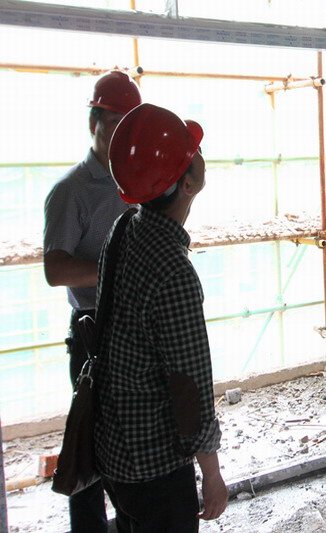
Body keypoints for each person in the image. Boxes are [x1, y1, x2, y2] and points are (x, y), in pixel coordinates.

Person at [94, 103, 227, 531]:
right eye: (193, 152)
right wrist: (211, 474)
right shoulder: (173, 271)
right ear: (187, 183)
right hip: (156, 467)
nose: (200, 154)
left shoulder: (123, 229)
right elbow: (189, 386)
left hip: (114, 452)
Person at [43, 70, 142, 533]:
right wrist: (114, 269)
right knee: (91, 449)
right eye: (114, 123)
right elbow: (56, 269)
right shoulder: (71, 191)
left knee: (133, 445)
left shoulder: (139, 184)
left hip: (136, 328)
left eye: (129, 126)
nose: (121, 136)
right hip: (93, 332)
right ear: (93, 123)